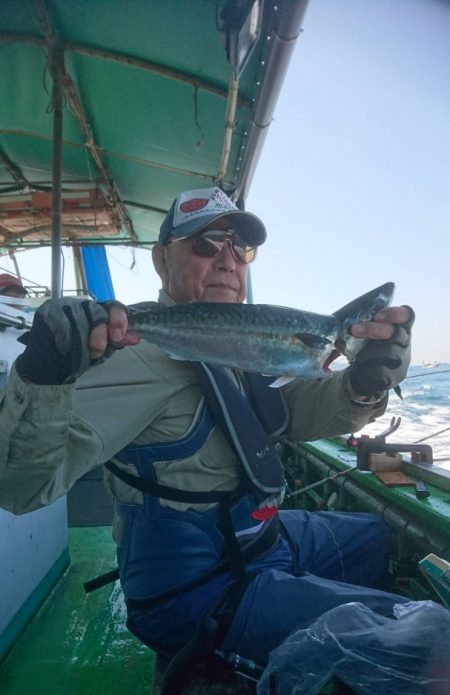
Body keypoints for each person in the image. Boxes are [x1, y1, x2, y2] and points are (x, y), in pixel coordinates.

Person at [0, 186, 414, 667]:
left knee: (373, 535)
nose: (227, 261)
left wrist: (361, 385)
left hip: (259, 541)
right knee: (412, 636)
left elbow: (290, 412)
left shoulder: (241, 344)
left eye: (241, 248)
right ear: (161, 260)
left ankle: (340, 683)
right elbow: (20, 486)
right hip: (194, 591)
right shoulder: (133, 355)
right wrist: (44, 378)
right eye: (206, 243)